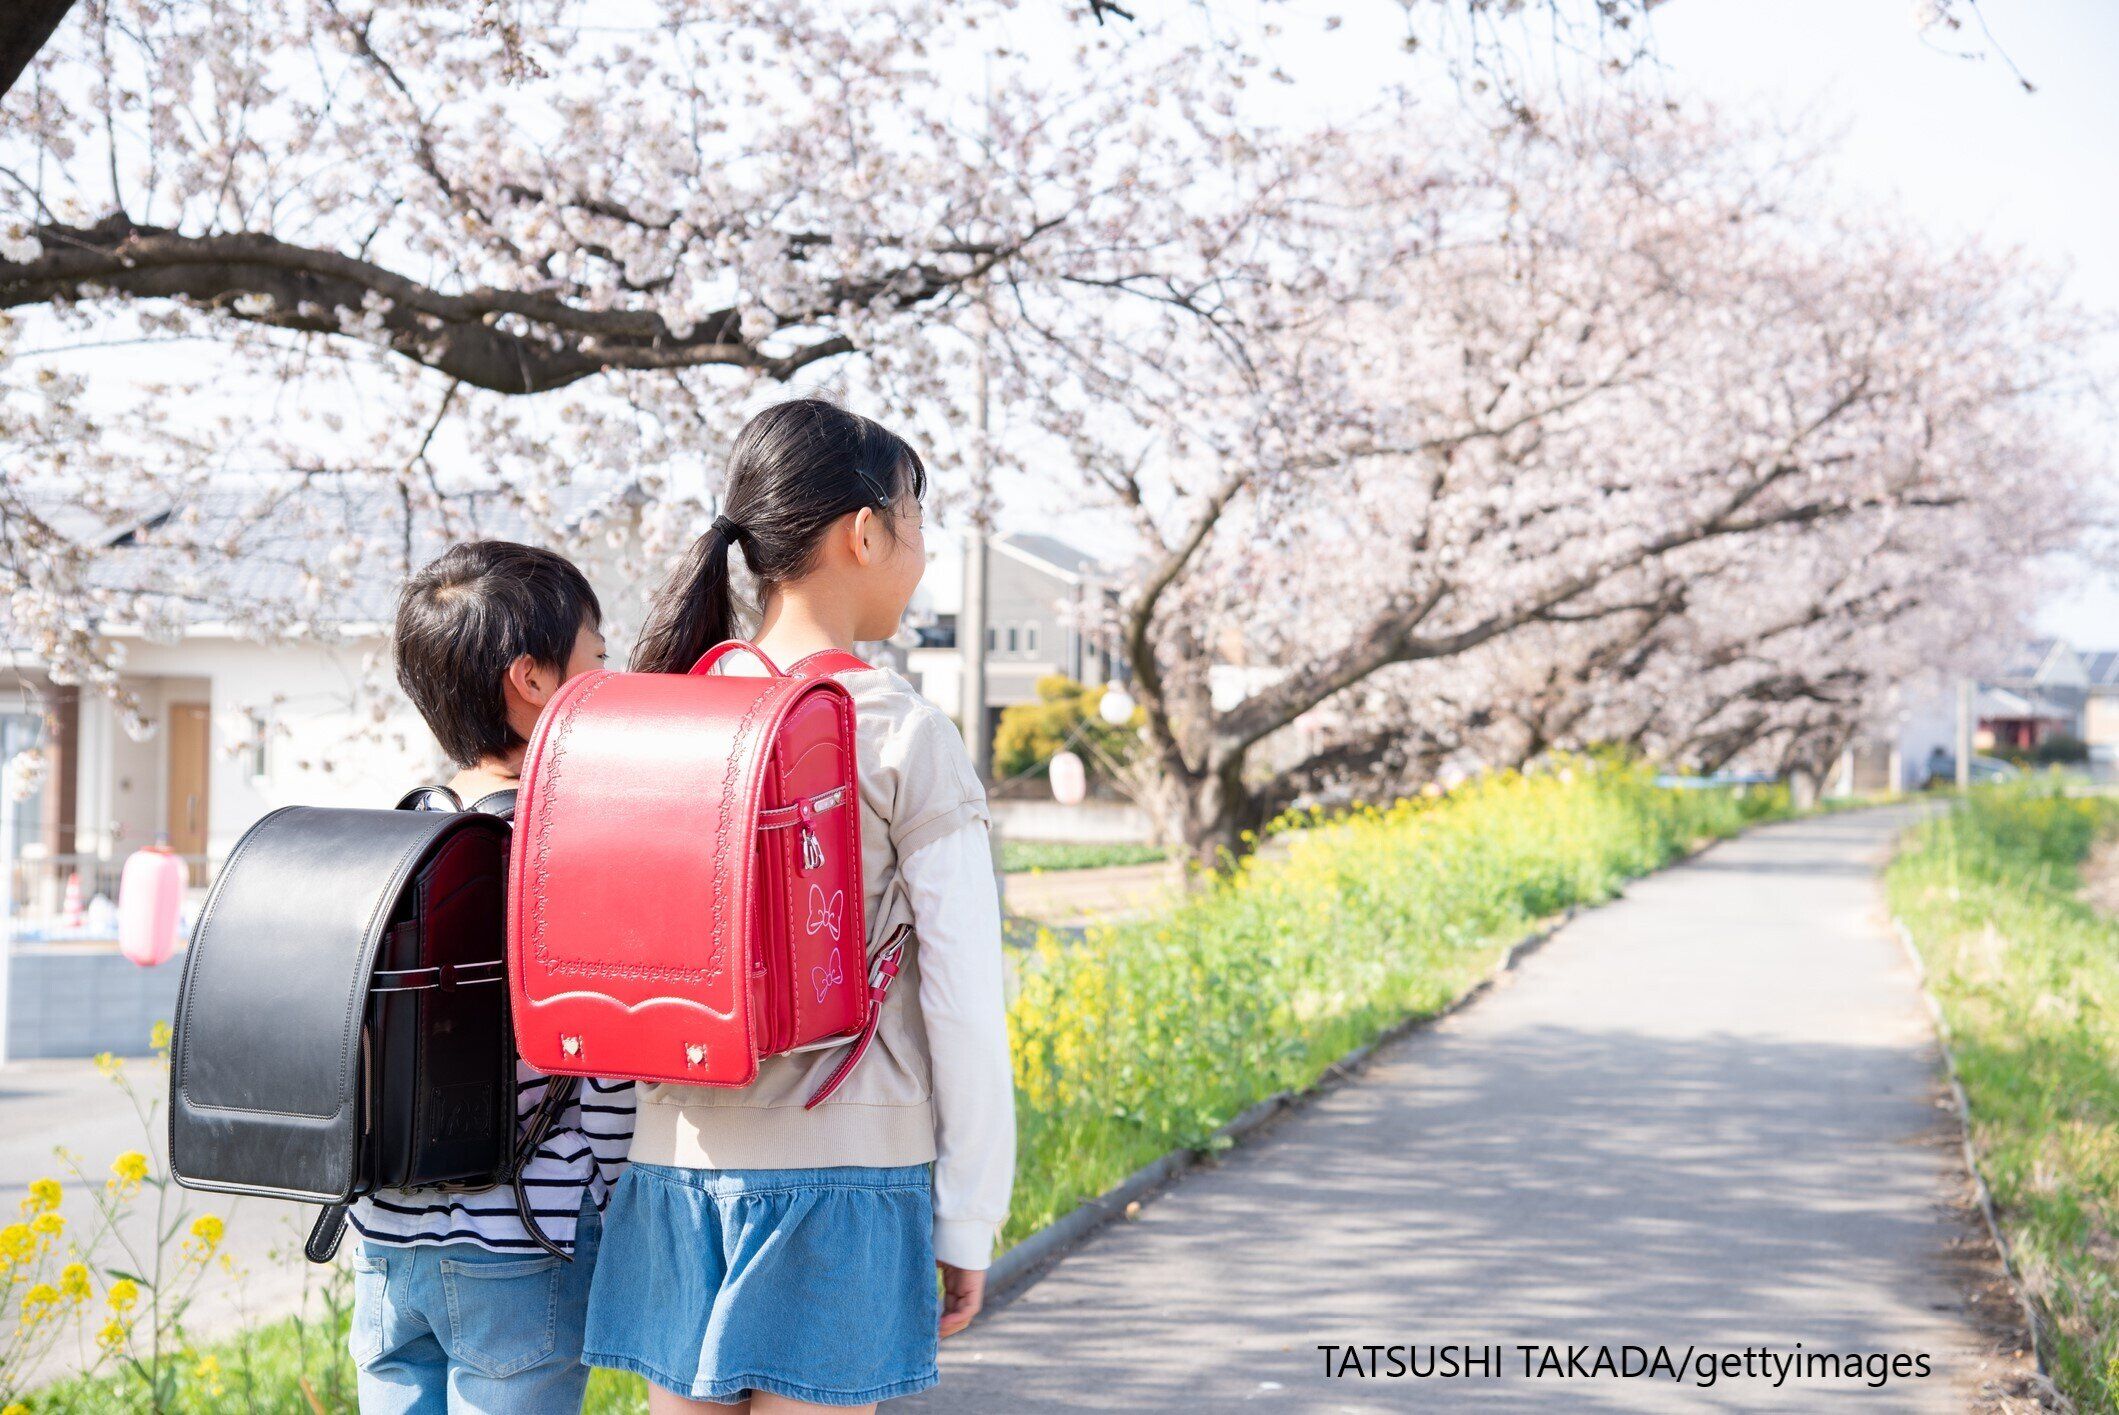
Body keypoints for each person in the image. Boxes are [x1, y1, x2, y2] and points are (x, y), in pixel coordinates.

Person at [582, 399, 1015, 1412]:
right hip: (847, 1175)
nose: (920, 550)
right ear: (863, 533)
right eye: (916, 521)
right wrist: (967, 1219)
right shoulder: (904, 733)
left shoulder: (660, 717)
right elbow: (963, 1000)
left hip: (673, 1169)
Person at [350, 539, 637, 1414]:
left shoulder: (396, 839)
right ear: (533, 680)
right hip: (523, 1239)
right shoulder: (568, 853)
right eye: (596, 656)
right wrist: (618, 1198)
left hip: (385, 1237)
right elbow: (606, 1063)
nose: (608, 675)